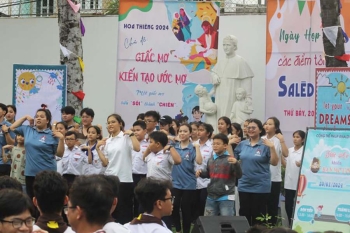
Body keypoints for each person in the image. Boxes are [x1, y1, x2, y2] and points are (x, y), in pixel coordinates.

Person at [9, 108, 65, 199]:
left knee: (46, 200)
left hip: (47, 174)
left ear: (47, 120)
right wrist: (25, 117)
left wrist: (62, 139)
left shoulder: (52, 134)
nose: (38, 118)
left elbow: (59, 154)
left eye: (42, 117)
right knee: (32, 200)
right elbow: (12, 127)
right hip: (30, 173)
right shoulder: (28, 130)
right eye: (36, 116)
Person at [97, 114, 140, 224]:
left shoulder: (126, 137)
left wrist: (132, 135)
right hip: (110, 179)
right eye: (109, 122)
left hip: (124, 180)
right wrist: (98, 149)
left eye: (113, 122)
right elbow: (106, 163)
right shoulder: (108, 140)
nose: (110, 124)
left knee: (124, 211)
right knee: (111, 209)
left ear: (120, 123)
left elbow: (137, 148)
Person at [234, 119, 278, 226]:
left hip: (260, 186)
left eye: (254, 128)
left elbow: (274, 162)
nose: (250, 130)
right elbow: (232, 159)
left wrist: (272, 147)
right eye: (249, 128)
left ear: (260, 130)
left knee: (258, 215)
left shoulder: (265, 144)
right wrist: (229, 144)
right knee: (244, 213)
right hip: (244, 184)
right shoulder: (242, 144)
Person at [143, 131, 181, 229]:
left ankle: (165, 229)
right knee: (150, 211)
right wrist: (149, 147)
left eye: (150, 142)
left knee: (164, 213)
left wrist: (171, 147)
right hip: (150, 188)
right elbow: (144, 158)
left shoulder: (166, 154)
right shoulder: (150, 154)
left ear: (158, 144)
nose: (148, 144)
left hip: (163, 188)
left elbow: (178, 161)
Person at [197, 133, 242, 217]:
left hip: (226, 196)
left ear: (225, 145)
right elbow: (208, 174)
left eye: (218, 144)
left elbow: (239, 175)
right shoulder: (211, 159)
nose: (215, 146)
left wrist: (236, 164)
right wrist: (200, 173)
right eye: (213, 144)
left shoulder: (230, 159)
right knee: (209, 223)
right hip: (211, 196)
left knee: (227, 223)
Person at [211, 35, 254, 119]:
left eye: (228, 45)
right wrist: (214, 76)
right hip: (220, 94)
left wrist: (247, 98)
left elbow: (247, 80)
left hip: (233, 93)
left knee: (230, 115)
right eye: (224, 45)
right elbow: (213, 72)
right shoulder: (221, 61)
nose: (225, 47)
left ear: (234, 46)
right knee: (220, 115)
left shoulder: (240, 61)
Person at [172, 124, 202, 233]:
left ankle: (186, 231)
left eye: (185, 131)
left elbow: (199, 161)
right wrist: (172, 138)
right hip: (175, 183)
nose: (182, 133)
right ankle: (178, 229)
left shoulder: (192, 148)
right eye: (180, 131)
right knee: (174, 207)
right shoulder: (174, 146)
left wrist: (197, 147)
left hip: (189, 184)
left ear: (190, 133)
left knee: (186, 210)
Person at [262, 117, 288, 225]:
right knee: (262, 205)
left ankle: (272, 227)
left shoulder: (278, 140)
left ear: (276, 127)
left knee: (272, 206)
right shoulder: (261, 139)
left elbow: (286, 154)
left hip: (274, 178)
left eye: (270, 124)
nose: (267, 126)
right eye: (266, 124)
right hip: (262, 178)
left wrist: (282, 140)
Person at [283, 130, 305, 227]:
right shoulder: (289, 150)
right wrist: (280, 156)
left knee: (298, 206)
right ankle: (290, 225)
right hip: (289, 184)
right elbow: (286, 165)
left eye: (298, 137)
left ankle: (298, 225)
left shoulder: (305, 150)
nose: (295, 139)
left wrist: (302, 164)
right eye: (294, 137)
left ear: (303, 139)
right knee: (288, 206)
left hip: (299, 185)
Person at [192, 123, 214, 220]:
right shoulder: (192, 144)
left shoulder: (212, 146)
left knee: (203, 203)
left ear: (208, 133)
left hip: (206, 180)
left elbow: (214, 163)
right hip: (192, 180)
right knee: (194, 204)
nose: (198, 132)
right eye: (198, 130)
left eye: (201, 130)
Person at [131, 120, 149, 217]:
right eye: (134, 130)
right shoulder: (130, 143)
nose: (136, 132)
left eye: (138, 130)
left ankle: (140, 219)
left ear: (145, 131)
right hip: (130, 175)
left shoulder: (149, 144)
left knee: (140, 200)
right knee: (130, 200)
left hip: (142, 176)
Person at [0, 103, 15, 176]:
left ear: (4, 112)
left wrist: (5, 132)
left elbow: (12, 143)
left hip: (3, 162)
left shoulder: (9, 126)